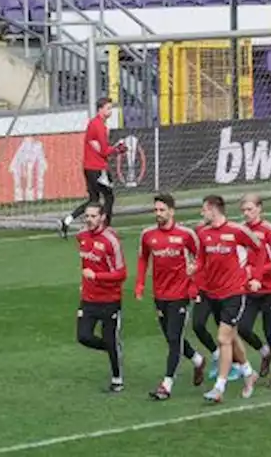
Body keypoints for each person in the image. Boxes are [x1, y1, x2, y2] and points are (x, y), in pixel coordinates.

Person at [134, 194, 205, 400]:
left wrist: (194, 282)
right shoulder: (148, 235)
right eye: (155, 210)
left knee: (174, 339)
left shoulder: (186, 235)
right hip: (160, 294)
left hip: (181, 295)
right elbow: (142, 259)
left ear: (172, 211)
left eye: (162, 210)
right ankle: (198, 360)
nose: (158, 214)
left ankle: (167, 384)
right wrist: (140, 284)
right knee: (171, 337)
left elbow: (202, 257)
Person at [194, 195, 263, 402]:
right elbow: (201, 260)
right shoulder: (204, 233)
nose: (201, 213)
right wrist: (194, 268)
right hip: (213, 294)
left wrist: (256, 276)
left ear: (214, 209)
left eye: (204, 209)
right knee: (231, 337)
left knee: (223, 338)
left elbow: (258, 248)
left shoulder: (237, 231)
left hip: (234, 293)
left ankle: (219, 388)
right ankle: (249, 373)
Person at [74, 202, 128, 392]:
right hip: (88, 299)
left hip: (109, 300)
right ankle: (112, 348)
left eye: (93, 216)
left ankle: (117, 379)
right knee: (83, 336)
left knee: (110, 338)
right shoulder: (81, 236)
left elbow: (122, 274)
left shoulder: (111, 240)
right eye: (87, 216)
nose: (89, 220)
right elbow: (86, 262)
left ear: (102, 217)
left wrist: (97, 276)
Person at [238, 194, 271, 388]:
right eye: (243, 210)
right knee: (243, 327)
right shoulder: (241, 230)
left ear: (260, 209)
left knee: (270, 331)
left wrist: (258, 271)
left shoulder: (268, 230)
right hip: (249, 290)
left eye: (250, 209)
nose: (246, 214)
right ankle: (264, 352)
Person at [63, 98, 126, 237]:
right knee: (109, 197)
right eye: (108, 108)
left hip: (88, 167)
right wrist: (118, 149)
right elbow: (104, 151)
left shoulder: (93, 124)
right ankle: (106, 229)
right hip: (98, 168)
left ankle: (68, 219)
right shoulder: (99, 126)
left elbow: (98, 148)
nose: (110, 111)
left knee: (94, 200)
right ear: (100, 109)